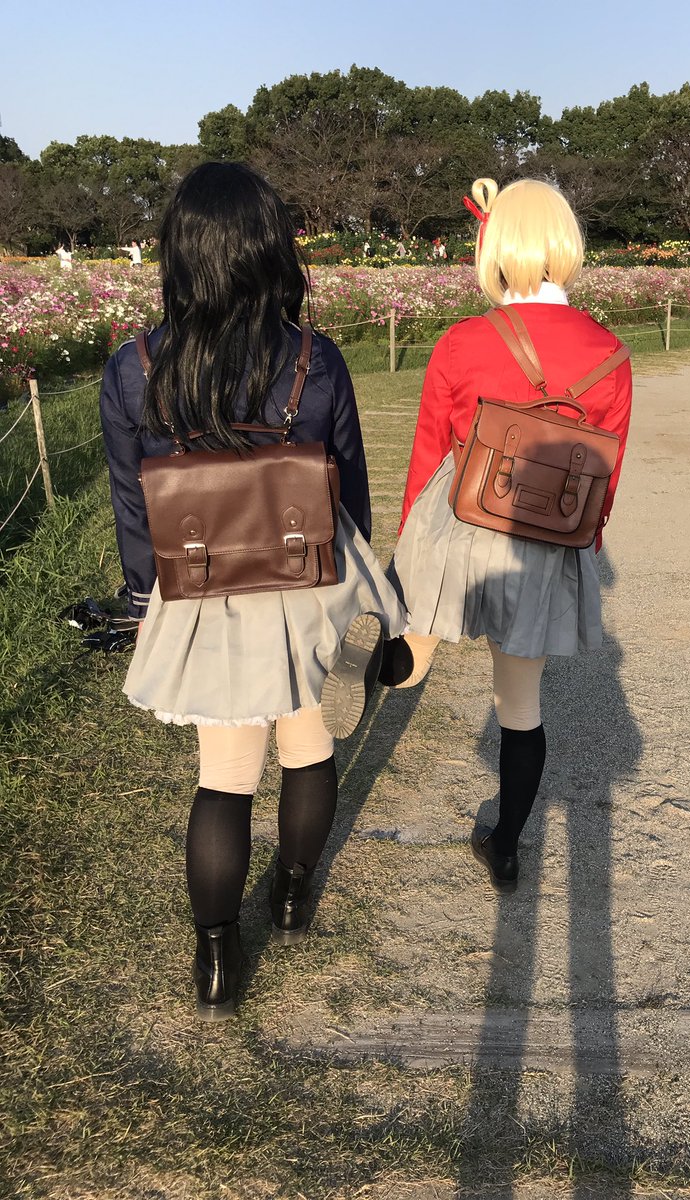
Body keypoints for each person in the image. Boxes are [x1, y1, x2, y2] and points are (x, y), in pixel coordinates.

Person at [100, 163, 406, 1020]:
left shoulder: (135, 368)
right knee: (308, 744)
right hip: (303, 573)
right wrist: (347, 585)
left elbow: (135, 508)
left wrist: (144, 602)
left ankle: (216, 959)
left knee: (224, 775)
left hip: (199, 586)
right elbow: (350, 494)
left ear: (179, 251)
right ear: (272, 248)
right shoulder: (314, 358)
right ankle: (294, 894)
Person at [380, 177, 632, 892]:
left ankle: (361, 680)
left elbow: (430, 449)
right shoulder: (611, 353)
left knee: (410, 645)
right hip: (542, 545)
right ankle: (509, 845)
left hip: (458, 526)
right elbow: (605, 477)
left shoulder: (463, 342)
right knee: (520, 706)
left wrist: (407, 545)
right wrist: (583, 543)